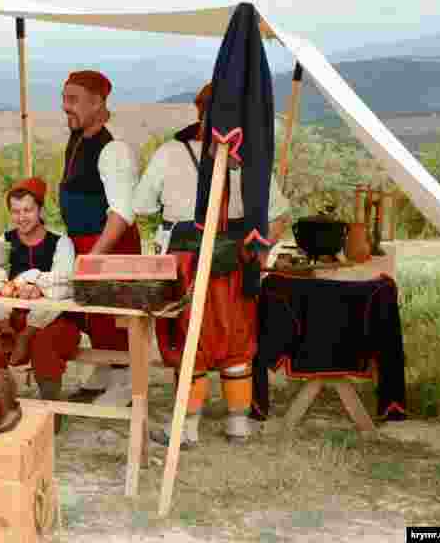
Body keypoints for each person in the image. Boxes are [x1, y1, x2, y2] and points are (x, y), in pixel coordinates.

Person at [132, 82, 291, 447]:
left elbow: (141, 207)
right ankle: (238, 425)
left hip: (186, 262)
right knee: (237, 340)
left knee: (190, 341)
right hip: (238, 261)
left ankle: (186, 430)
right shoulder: (250, 158)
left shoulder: (171, 153)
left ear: (200, 113)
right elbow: (280, 215)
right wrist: (261, 249)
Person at [0, 177, 80, 432]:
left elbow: (62, 288)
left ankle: (50, 413)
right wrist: (6, 327)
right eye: (16, 211)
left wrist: (26, 334)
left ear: (40, 210)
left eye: (28, 210)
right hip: (10, 319)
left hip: (56, 321)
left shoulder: (61, 243)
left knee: (44, 344)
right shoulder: (2, 242)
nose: (22, 217)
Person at [58, 70, 142, 406]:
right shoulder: (78, 136)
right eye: (64, 99)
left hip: (109, 244)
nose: (66, 107)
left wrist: (94, 258)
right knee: (93, 314)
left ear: (98, 103)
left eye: (73, 100)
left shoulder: (114, 149)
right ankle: (106, 369)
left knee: (112, 312)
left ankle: (124, 383)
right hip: (85, 241)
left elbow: (121, 213)